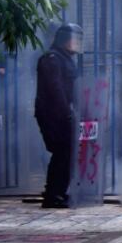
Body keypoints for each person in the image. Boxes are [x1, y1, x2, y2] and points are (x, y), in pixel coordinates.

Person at [35, 23, 83, 209]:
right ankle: (53, 195)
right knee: (62, 152)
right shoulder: (51, 59)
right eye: (74, 39)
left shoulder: (66, 60)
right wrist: (66, 113)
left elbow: (74, 89)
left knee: (66, 153)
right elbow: (56, 90)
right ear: (64, 40)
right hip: (52, 114)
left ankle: (58, 192)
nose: (77, 43)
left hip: (63, 113)